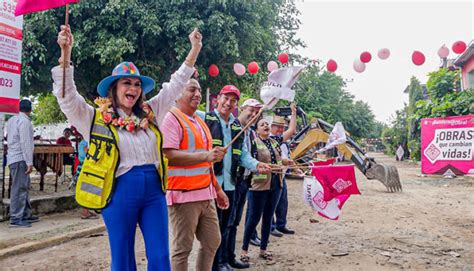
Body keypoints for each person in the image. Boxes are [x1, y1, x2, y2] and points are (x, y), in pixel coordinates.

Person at [52, 25, 202, 270]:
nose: (133, 89)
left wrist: (194, 50)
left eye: (136, 84)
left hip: (154, 191)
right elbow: (67, 97)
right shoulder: (93, 118)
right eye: (126, 83)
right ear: (114, 88)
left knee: (161, 257)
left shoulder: (151, 113)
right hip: (119, 191)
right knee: (122, 258)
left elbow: (175, 85)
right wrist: (65, 54)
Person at [201, 86, 271, 271]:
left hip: (230, 185)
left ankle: (222, 261)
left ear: (235, 104)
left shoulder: (236, 126)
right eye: (226, 98)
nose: (228, 103)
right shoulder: (205, 119)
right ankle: (215, 264)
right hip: (211, 185)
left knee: (226, 226)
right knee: (211, 232)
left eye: (233, 100)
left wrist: (257, 165)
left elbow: (244, 155)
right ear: (218, 99)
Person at [162, 79, 229, 271]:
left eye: (199, 90)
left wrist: (217, 189)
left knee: (212, 241)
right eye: (192, 89)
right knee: (182, 248)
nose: (198, 94)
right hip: (183, 195)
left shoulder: (199, 121)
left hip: (205, 193)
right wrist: (206, 155)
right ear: (177, 93)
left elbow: (207, 163)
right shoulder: (171, 118)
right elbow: (168, 155)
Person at [240, 118, 293, 266]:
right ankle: (244, 250)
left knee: (268, 217)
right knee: (253, 218)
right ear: (257, 129)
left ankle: (263, 249)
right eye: (262, 124)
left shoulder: (274, 142)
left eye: (267, 124)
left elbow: (277, 159)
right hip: (259, 185)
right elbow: (249, 160)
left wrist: (285, 161)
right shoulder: (253, 143)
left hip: (276, 184)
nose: (266, 126)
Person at [223, 98, 263, 269]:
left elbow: (249, 156)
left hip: (245, 182)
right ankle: (221, 260)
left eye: (256, 112)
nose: (253, 115)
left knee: (235, 223)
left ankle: (230, 257)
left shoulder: (250, 133)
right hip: (232, 181)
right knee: (227, 223)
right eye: (251, 110)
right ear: (241, 109)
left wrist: (258, 167)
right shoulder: (233, 128)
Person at [6, 99, 39, 228]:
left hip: (14, 157)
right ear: (30, 110)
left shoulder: (12, 120)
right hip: (20, 158)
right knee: (19, 188)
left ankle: (25, 214)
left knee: (23, 187)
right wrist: (29, 162)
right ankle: (16, 218)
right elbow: (25, 143)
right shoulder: (24, 121)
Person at [269, 103, 297, 237]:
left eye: (282, 127)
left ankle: (281, 224)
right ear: (271, 127)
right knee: (272, 203)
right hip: (272, 175)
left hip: (282, 175)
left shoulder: (282, 142)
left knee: (282, 202)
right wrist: (293, 113)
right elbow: (291, 130)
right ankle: (271, 226)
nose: (280, 130)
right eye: (278, 127)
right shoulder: (271, 139)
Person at [75, 135, 98, 220]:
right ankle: (85, 213)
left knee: (88, 190)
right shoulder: (85, 143)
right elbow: (87, 155)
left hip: (84, 168)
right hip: (86, 168)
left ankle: (87, 211)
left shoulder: (83, 143)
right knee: (87, 190)